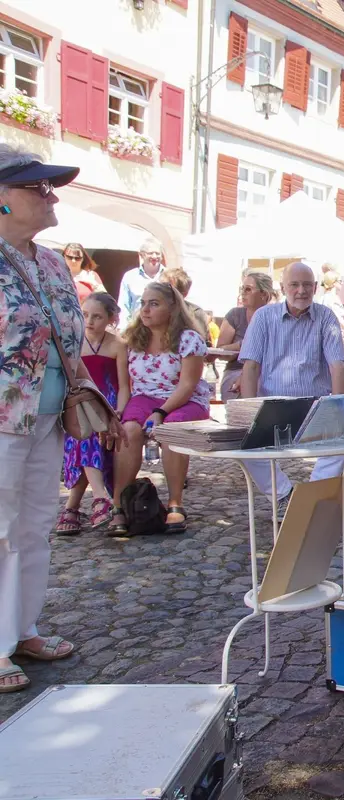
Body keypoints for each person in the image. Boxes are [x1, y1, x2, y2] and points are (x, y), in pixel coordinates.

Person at [0, 146, 121, 693]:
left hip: (48, 415)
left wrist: (95, 400)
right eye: (37, 188)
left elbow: (70, 339)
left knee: (32, 529)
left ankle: (20, 628)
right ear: (2, 199)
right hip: (4, 418)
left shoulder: (49, 261)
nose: (51, 196)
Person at [239, 261, 344, 508]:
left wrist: (338, 407)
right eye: (294, 285)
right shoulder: (264, 317)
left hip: (314, 408)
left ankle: (313, 496)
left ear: (316, 287)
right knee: (242, 442)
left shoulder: (325, 316)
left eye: (307, 285)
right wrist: (248, 409)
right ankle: (284, 496)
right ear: (282, 287)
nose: (301, 291)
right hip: (272, 409)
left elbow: (337, 366)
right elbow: (251, 367)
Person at [111, 282, 211, 536]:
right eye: (143, 303)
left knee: (170, 430)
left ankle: (175, 502)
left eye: (153, 304)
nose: (145, 310)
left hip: (183, 399)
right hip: (144, 396)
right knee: (129, 431)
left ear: (172, 308)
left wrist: (161, 412)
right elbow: (125, 383)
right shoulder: (133, 338)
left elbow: (188, 384)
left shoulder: (188, 339)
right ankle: (118, 506)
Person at [56, 292, 127, 535]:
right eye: (85, 315)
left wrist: (117, 412)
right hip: (82, 404)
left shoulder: (117, 345)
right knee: (85, 433)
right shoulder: (73, 342)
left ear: (110, 319)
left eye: (97, 316)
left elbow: (124, 385)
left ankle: (72, 507)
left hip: (108, 403)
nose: (89, 321)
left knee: (90, 435)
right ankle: (99, 498)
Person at [216, 271, 274, 401]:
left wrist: (246, 375)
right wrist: (244, 344)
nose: (243, 293)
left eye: (248, 289)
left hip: (268, 372)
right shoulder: (235, 315)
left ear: (264, 294)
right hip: (235, 370)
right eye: (242, 289)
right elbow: (221, 352)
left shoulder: (275, 317)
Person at [117, 236, 165, 328]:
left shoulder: (168, 276)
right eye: (150, 253)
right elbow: (123, 307)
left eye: (157, 253)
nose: (154, 256)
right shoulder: (130, 277)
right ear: (142, 255)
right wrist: (123, 330)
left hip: (162, 330)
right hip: (136, 329)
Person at [159, 267, 209, 334]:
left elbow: (200, 339)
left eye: (167, 289)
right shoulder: (150, 309)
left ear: (184, 294)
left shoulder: (195, 313)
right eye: (159, 287)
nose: (160, 292)